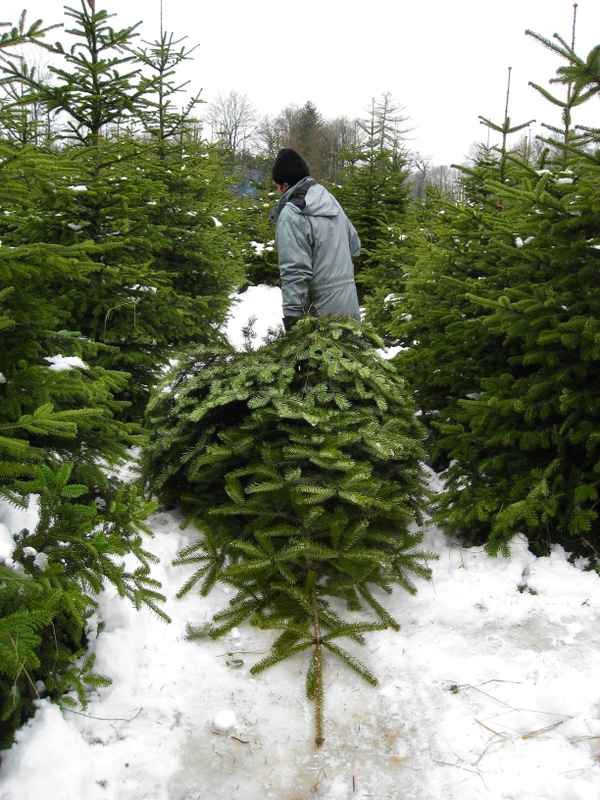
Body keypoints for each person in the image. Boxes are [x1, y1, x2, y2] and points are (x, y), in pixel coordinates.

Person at [270, 148, 361, 332]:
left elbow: (294, 271)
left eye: (278, 185)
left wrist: (293, 318)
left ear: (284, 185)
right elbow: (355, 246)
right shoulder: (330, 201)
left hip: (319, 316)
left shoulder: (292, 212)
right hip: (349, 308)